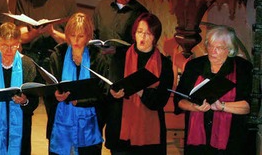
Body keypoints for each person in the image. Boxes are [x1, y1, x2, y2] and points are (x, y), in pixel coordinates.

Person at [174, 26, 252, 154]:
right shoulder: (194, 66)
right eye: (210, 46)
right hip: (198, 140)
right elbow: (179, 99)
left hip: (231, 140)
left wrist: (221, 106)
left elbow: (248, 106)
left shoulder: (242, 68)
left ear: (229, 49)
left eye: (219, 48)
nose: (212, 51)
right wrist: (194, 107)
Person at [104, 13, 173, 154]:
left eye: (148, 33)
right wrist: (112, 93)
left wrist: (141, 91)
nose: (142, 37)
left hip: (149, 134)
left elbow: (160, 100)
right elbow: (108, 87)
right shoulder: (119, 56)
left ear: (155, 37)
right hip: (121, 130)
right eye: (139, 32)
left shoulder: (164, 64)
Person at [45, 12, 108, 155]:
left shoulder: (97, 58)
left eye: (81, 36)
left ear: (88, 36)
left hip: (89, 128)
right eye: (72, 35)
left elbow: (103, 95)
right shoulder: (58, 56)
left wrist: (80, 101)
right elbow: (49, 89)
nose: (76, 40)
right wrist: (55, 95)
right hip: (61, 126)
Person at [0, 22, 38, 155]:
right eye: (5, 45)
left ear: (19, 44)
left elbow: (34, 102)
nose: (9, 50)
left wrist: (24, 101)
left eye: (13, 46)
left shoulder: (27, 64)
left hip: (20, 127)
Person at [15, 0, 76, 65]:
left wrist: (52, 32)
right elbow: (20, 37)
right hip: (30, 57)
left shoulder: (67, 2)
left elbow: (72, 41)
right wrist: (35, 33)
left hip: (56, 58)